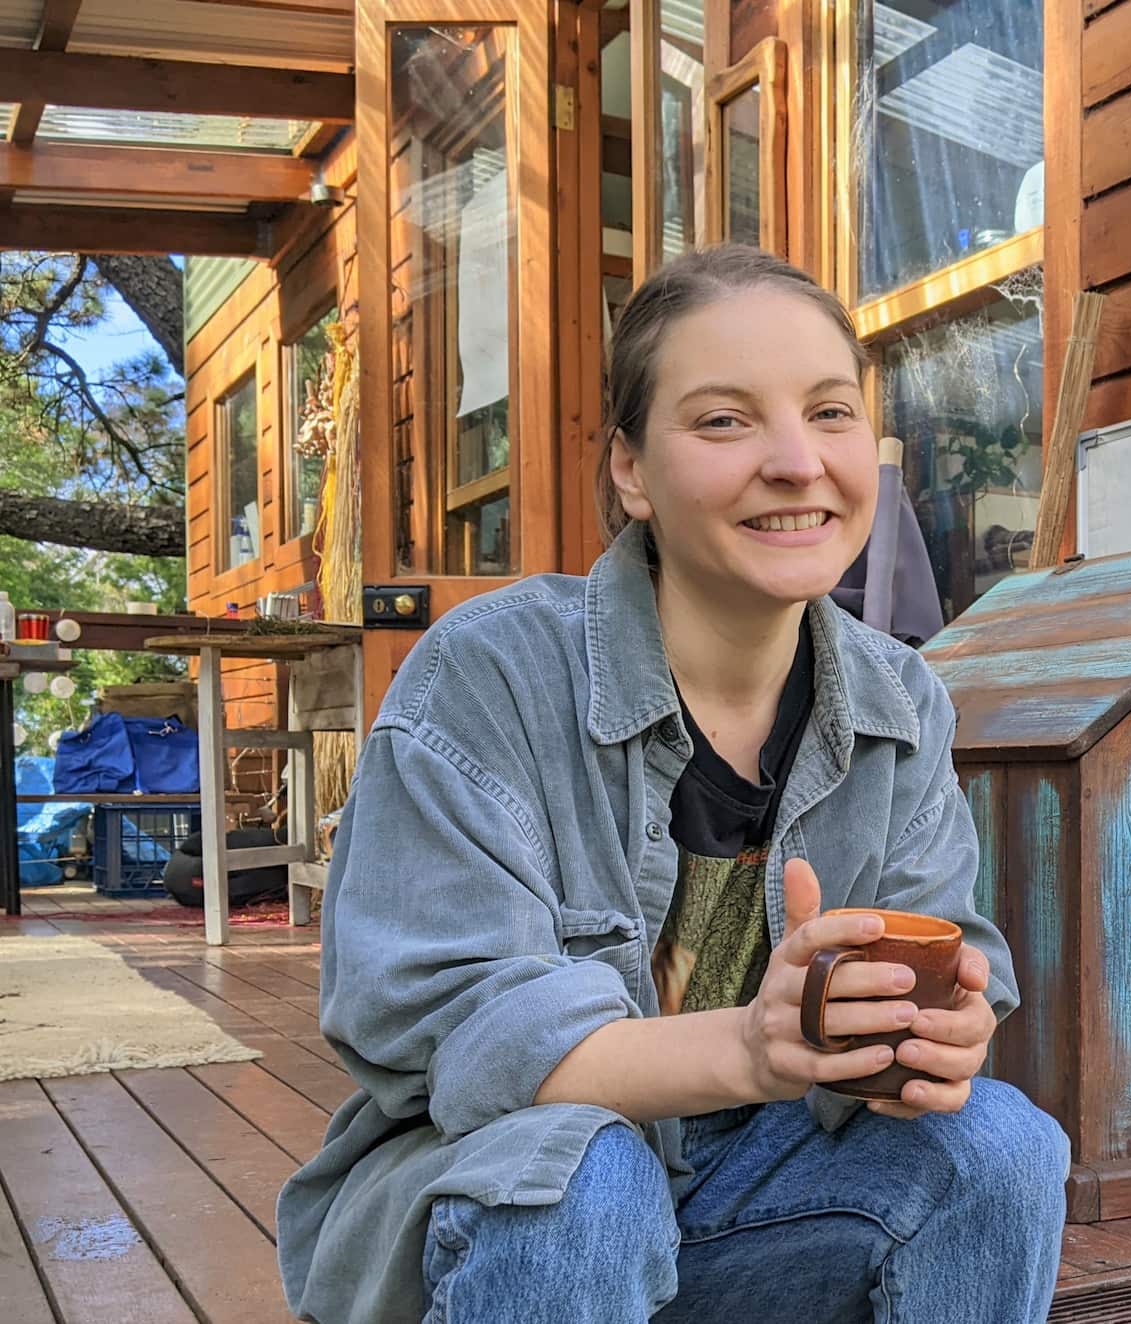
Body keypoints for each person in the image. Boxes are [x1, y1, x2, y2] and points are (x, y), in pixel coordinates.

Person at [277, 245, 1070, 1324]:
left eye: (829, 411)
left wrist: (929, 1035)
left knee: (997, 1145)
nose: (796, 462)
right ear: (630, 471)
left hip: (751, 1202)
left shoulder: (901, 699)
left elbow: (947, 952)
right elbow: (453, 1036)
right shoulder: (486, 676)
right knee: (581, 1180)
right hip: (503, 1244)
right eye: (723, 421)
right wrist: (750, 1043)